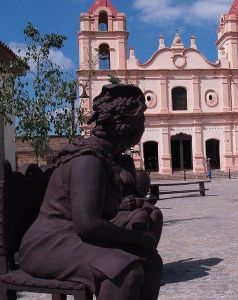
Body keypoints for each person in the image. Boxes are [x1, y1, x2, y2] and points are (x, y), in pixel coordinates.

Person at [19, 84, 162, 300]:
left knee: (151, 261)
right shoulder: (90, 160)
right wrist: (135, 238)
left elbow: (97, 210)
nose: (144, 126)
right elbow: (87, 225)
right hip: (47, 243)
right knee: (124, 272)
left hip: (71, 235)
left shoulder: (107, 158)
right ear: (126, 126)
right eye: (141, 120)